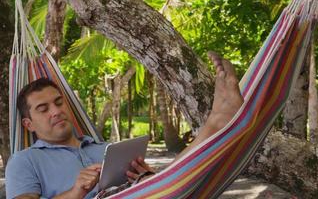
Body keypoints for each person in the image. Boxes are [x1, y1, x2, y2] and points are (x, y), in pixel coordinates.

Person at [5, 52, 243, 199]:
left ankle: (217, 121)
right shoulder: (25, 160)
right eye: (43, 109)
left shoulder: (106, 150)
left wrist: (145, 178)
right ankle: (217, 121)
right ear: (28, 124)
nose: (56, 111)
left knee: (170, 178)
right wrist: (76, 191)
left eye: (58, 102)